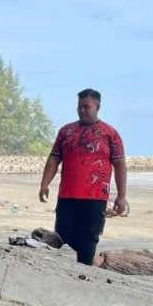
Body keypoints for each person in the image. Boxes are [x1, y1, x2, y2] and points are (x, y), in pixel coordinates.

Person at [38, 88, 128, 265]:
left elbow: (120, 165)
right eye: (79, 107)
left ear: (97, 106)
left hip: (95, 198)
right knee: (61, 236)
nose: (82, 110)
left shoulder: (110, 134)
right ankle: (82, 266)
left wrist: (122, 196)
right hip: (67, 196)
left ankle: (88, 269)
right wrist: (44, 184)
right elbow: (54, 158)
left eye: (86, 107)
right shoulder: (66, 132)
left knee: (89, 239)